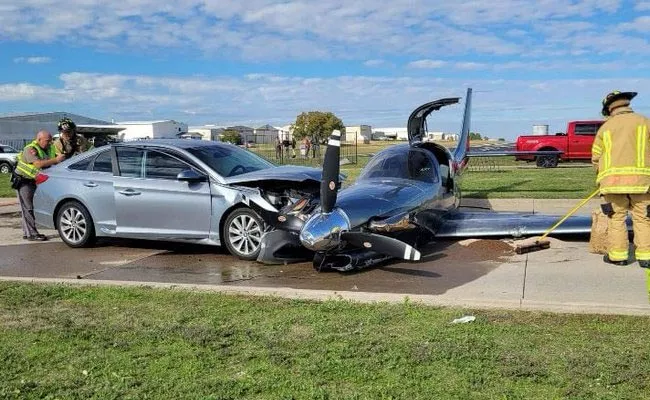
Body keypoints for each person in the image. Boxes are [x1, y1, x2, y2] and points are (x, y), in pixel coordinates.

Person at [591, 90, 650, 268]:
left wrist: (601, 178)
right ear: (627, 104)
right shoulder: (644, 122)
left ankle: (618, 256)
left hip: (612, 184)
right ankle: (646, 257)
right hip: (642, 183)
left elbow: (596, 157)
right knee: (643, 218)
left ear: (609, 109)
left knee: (616, 218)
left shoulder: (605, 128)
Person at [13, 130, 65, 241]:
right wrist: (56, 159)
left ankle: (27, 232)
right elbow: (38, 164)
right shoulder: (30, 149)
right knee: (28, 208)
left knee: (33, 206)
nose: (50, 143)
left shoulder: (49, 148)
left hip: (36, 181)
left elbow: (52, 161)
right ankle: (31, 233)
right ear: (39, 139)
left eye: (51, 140)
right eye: (47, 141)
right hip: (23, 181)